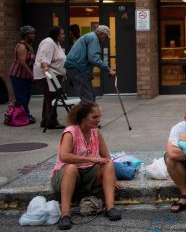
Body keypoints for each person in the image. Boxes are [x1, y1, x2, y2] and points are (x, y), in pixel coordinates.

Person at [51, 101, 121, 230]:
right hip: (66, 176)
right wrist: (91, 159)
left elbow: (106, 156)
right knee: (71, 167)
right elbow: (64, 156)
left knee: (108, 163)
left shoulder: (96, 132)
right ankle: (65, 214)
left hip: (88, 174)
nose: (98, 120)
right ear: (83, 117)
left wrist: (113, 178)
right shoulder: (70, 132)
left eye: (99, 117)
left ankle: (110, 207)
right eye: (94, 117)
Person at [64, 25, 116, 102]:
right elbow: (94, 59)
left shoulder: (90, 36)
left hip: (77, 69)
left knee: (91, 94)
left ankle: (87, 112)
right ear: (101, 33)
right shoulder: (94, 38)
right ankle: (86, 113)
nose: (105, 39)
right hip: (77, 69)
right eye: (105, 36)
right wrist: (109, 69)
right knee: (88, 97)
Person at [33, 26, 67, 129]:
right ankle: (52, 121)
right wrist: (47, 72)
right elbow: (43, 58)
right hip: (46, 75)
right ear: (56, 35)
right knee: (52, 97)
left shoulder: (56, 43)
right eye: (62, 34)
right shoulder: (48, 42)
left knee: (49, 97)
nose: (63, 36)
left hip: (54, 74)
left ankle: (46, 120)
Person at [9, 25, 36, 124]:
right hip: (17, 75)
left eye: (33, 33)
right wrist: (32, 74)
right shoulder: (22, 46)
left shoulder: (29, 45)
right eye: (30, 34)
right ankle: (25, 116)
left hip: (26, 76)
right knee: (21, 97)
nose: (33, 35)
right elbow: (22, 62)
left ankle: (23, 114)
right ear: (25, 35)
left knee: (27, 95)